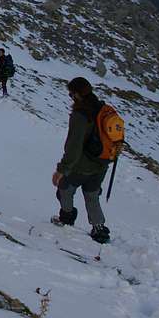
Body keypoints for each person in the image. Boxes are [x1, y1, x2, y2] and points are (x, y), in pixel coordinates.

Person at [50, 76, 111, 243]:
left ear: (76, 94)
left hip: (83, 164)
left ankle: (66, 217)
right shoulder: (102, 109)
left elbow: (74, 147)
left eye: (71, 94)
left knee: (64, 188)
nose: (71, 97)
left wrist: (61, 170)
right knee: (92, 194)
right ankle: (99, 229)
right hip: (102, 163)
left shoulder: (80, 115)